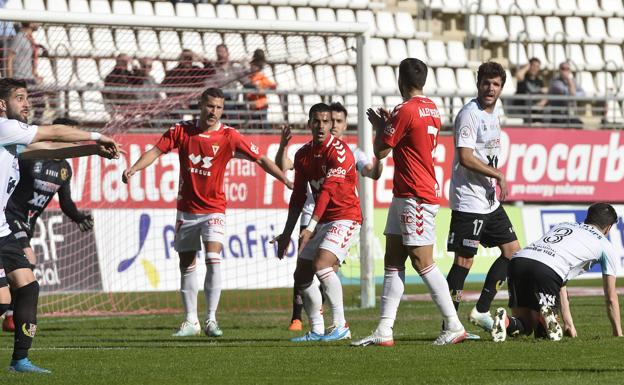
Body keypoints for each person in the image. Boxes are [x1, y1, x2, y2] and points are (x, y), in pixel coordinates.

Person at [122, 87, 292, 338]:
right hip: (187, 210)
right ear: (200, 105)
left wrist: (285, 180)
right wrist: (134, 168)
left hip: (214, 209)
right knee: (187, 263)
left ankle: (211, 319)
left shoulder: (229, 136)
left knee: (213, 257)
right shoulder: (181, 130)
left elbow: (261, 159)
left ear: (223, 110)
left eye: (219, 108)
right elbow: (156, 151)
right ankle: (191, 321)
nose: (213, 111)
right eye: (210, 106)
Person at [0, 78, 119, 373]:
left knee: (27, 285)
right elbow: (53, 132)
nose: (26, 103)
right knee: (5, 298)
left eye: (27, 97)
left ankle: (20, 360)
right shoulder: (2, 126)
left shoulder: (9, 138)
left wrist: (91, 149)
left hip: (1, 229)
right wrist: (97, 135)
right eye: (19, 98)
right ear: (2, 105)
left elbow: (49, 151)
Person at [352, 58, 466, 347]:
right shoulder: (432, 108)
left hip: (415, 193)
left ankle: (453, 324)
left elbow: (380, 151)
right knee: (393, 259)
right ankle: (384, 330)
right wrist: (390, 124)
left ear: (400, 81)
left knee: (421, 260)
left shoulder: (404, 110)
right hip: (406, 192)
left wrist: (380, 125)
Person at [275, 101, 382, 332]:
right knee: (301, 274)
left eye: (327, 122)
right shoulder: (303, 154)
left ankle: (341, 326)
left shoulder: (341, 152)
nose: (322, 126)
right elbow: (298, 198)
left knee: (322, 265)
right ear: (310, 124)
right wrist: (286, 232)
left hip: (346, 218)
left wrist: (310, 227)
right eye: (317, 122)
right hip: (322, 220)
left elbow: (326, 193)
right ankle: (316, 329)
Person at [444, 61, 521, 333]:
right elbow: (465, 157)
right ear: (478, 84)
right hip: (469, 201)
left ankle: (481, 309)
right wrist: (498, 175)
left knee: (513, 253)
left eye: (496, 84)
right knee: (464, 261)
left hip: (489, 201)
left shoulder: (492, 115)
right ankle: (450, 323)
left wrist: (493, 179)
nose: (491, 88)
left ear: (501, 87)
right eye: (486, 83)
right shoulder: (470, 114)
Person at [1, 117, 94, 333]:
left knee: (24, 272)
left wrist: (79, 217)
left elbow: (66, 203)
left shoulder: (65, 169)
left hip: (28, 222)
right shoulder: (33, 157)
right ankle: (12, 316)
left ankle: (11, 313)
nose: (71, 141)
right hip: (10, 215)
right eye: (67, 135)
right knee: (29, 260)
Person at [492, 203, 621, 342]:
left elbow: (562, 281)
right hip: (547, 269)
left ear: (587, 218)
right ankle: (545, 317)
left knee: (525, 325)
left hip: (518, 261)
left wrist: (569, 323)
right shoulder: (606, 246)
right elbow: (611, 298)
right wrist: (618, 334)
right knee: (545, 336)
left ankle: (505, 321)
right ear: (609, 228)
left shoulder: (564, 225)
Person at [243, 49, 276, 129]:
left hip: (261, 105)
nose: (253, 67)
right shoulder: (248, 78)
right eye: (252, 65)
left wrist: (263, 89)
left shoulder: (261, 77)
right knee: (253, 125)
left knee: (264, 123)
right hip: (252, 106)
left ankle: (269, 136)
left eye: (255, 66)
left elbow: (273, 86)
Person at [548, 61, 585, 126]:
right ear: (559, 70)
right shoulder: (555, 82)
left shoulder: (573, 81)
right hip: (558, 116)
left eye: (567, 69)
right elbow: (571, 94)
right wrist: (569, 80)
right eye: (563, 69)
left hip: (570, 115)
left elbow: (582, 93)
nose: (565, 71)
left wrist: (570, 81)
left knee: (579, 125)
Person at [514, 57, 547, 123]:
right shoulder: (524, 77)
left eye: (537, 66)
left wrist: (544, 101)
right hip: (523, 108)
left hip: (535, 108)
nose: (535, 68)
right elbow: (518, 75)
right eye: (533, 66)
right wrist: (526, 67)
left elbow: (546, 91)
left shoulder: (539, 80)